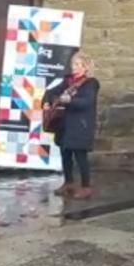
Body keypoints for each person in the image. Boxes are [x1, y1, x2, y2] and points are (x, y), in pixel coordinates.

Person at [42, 52, 100, 200]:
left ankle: (86, 186)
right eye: (73, 64)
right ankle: (69, 183)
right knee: (65, 154)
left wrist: (69, 101)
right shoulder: (67, 81)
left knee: (80, 156)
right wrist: (46, 102)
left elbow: (87, 102)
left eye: (78, 65)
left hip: (81, 125)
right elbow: (51, 92)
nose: (74, 67)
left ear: (86, 67)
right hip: (65, 125)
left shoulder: (91, 83)